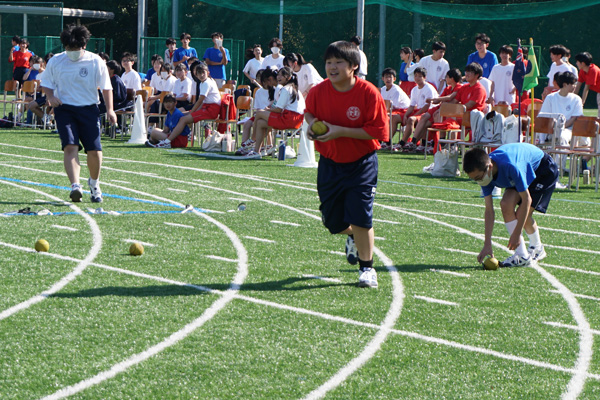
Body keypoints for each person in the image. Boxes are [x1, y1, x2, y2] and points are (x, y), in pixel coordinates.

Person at [305, 40, 389, 288]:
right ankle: (351, 234)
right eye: (329, 62)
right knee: (333, 222)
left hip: (361, 163)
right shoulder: (318, 91)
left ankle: (367, 269)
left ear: (353, 66)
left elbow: (378, 131)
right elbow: (309, 113)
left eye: (338, 62)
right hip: (330, 162)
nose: (332, 67)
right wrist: (312, 126)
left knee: (362, 216)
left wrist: (339, 131)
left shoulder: (369, 92)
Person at [41, 25, 116, 203]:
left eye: (75, 48)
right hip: (65, 109)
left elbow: (106, 87)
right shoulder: (56, 61)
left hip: (89, 109)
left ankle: (94, 183)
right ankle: (75, 185)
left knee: (95, 150)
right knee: (70, 146)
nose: (72, 52)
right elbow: (47, 83)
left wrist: (110, 109)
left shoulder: (95, 61)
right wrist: (51, 97)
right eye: (68, 48)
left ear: (83, 46)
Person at [464, 143, 559, 267]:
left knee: (522, 214)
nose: (479, 181)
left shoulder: (511, 166)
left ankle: (537, 247)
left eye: (478, 177)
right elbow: (489, 211)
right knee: (505, 204)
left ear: (490, 167)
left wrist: (516, 233)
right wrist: (487, 243)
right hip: (522, 167)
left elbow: (527, 200)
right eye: (474, 179)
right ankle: (522, 256)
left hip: (543, 169)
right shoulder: (484, 175)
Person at [154, 62, 221, 148]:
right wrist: (191, 112)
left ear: (208, 73)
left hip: (211, 110)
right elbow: (202, 102)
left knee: (183, 119)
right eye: (198, 73)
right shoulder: (204, 82)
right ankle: (173, 136)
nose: (201, 75)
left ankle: (168, 141)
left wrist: (192, 112)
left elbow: (200, 101)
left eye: (203, 72)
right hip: (207, 108)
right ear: (195, 75)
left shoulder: (206, 82)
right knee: (181, 115)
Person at [249, 66, 305, 157]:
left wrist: (267, 110)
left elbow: (278, 109)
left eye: (282, 75)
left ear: (288, 78)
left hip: (289, 119)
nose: (278, 77)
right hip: (297, 120)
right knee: (260, 122)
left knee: (259, 112)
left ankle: (252, 141)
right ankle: (256, 151)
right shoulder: (294, 88)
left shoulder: (286, 89)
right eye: (278, 74)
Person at [410, 68, 463, 152]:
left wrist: (435, 100)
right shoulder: (448, 88)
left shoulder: (459, 87)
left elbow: (451, 98)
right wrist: (432, 100)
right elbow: (438, 100)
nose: (446, 79)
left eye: (447, 77)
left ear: (452, 78)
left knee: (432, 120)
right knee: (424, 117)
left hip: (451, 112)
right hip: (442, 108)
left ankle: (437, 144)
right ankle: (414, 141)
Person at [236, 68, 279, 155]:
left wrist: (264, 111)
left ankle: (261, 144)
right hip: (259, 115)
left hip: (268, 115)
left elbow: (274, 106)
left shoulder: (275, 90)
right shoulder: (259, 92)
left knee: (262, 125)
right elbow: (256, 107)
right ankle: (245, 146)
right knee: (247, 124)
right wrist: (257, 113)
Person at [539, 71, 584, 150]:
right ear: (564, 85)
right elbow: (544, 116)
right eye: (573, 84)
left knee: (562, 136)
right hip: (551, 131)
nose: (575, 86)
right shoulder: (550, 98)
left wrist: (561, 128)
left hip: (569, 131)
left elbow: (574, 118)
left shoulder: (577, 99)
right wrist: (555, 129)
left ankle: (561, 161)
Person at [399, 66, 438, 152]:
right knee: (409, 118)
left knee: (412, 119)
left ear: (425, 77)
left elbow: (427, 106)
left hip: (429, 113)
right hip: (421, 112)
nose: (417, 78)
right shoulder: (414, 89)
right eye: (416, 76)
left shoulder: (429, 88)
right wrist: (405, 115)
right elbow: (412, 105)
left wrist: (415, 115)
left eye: (420, 76)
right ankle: (408, 143)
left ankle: (404, 143)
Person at [379, 67, 410, 149]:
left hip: (405, 111)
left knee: (389, 117)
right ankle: (378, 141)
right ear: (382, 78)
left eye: (390, 77)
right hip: (393, 111)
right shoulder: (382, 90)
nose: (388, 79)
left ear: (394, 79)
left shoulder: (396, 90)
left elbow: (392, 107)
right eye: (386, 77)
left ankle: (387, 142)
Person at [574, 52, 600, 117]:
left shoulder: (593, 70)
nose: (576, 63)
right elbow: (578, 86)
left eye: (577, 62)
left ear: (582, 63)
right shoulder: (582, 71)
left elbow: (586, 88)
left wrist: (582, 103)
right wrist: (572, 98)